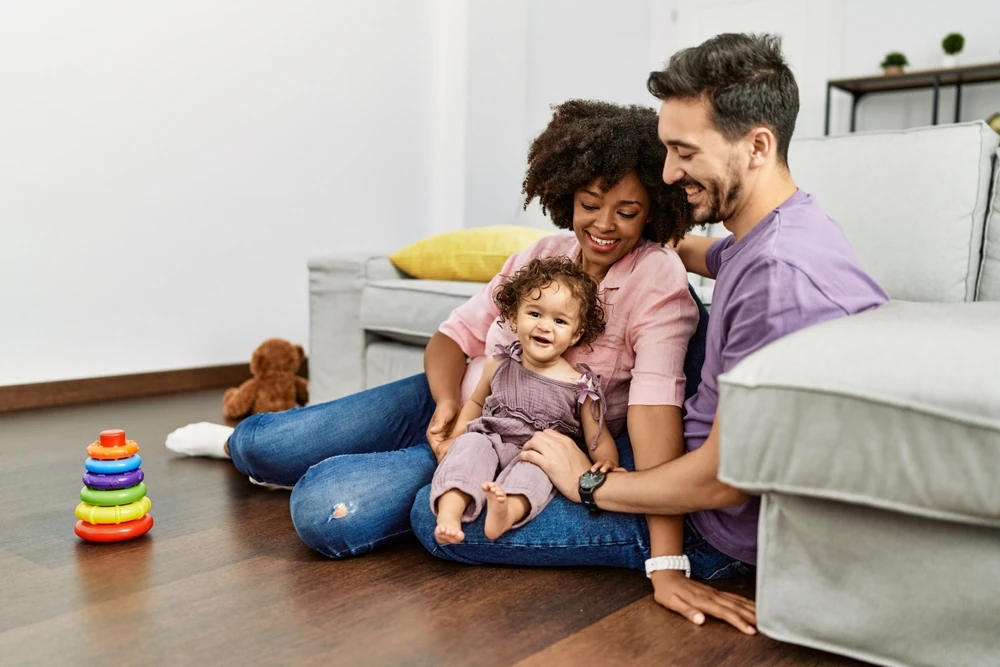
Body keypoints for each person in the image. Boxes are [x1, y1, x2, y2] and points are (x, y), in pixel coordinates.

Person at [410, 33, 889, 636]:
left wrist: (584, 484)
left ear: (757, 146)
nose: (668, 172)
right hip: (665, 466)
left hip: (714, 525)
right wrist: (641, 235)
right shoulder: (781, 230)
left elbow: (721, 479)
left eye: (684, 152)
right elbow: (710, 253)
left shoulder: (777, 282)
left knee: (434, 525)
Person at [164, 99, 710, 591]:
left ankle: (439, 477)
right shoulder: (541, 254)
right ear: (565, 193)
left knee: (324, 511)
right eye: (591, 204)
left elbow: (654, 412)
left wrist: (665, 563)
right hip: (454, 403)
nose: (605, 225)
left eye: (628, 211)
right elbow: (452, 338)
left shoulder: (655, 277)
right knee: (265, 447)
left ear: (653, 212)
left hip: (515, 444)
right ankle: (237, 448)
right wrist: (448, 403)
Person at [432, 257, 621, 545]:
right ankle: (450, 515)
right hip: (491, 439)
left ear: (576, 334)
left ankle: (506, 511)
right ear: (514, 317)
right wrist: (454, 438)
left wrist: (608, 462)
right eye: (535, 314)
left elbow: (597, 435)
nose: (545, 326)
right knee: (470, 446)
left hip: (537, 450)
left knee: (537, 469)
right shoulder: (499, 363)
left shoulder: (580, 384)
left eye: (559, 321)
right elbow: (475, 404)